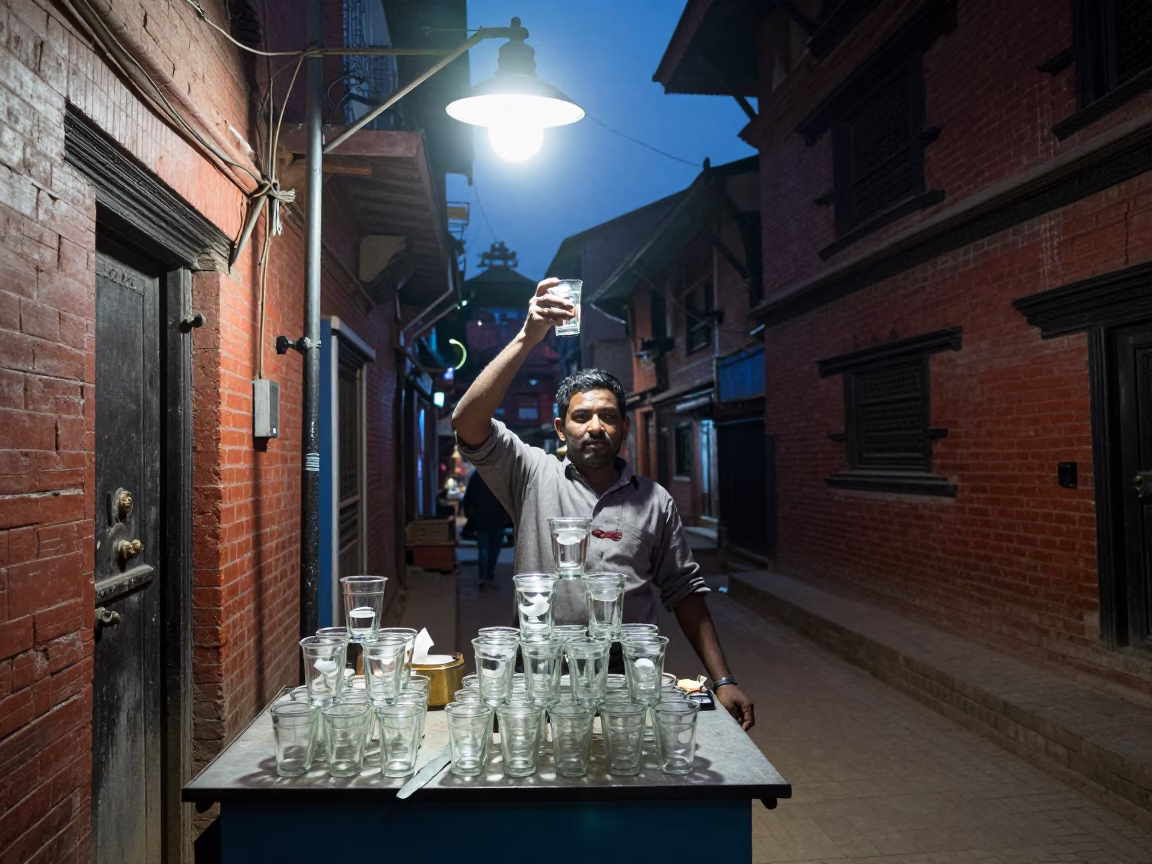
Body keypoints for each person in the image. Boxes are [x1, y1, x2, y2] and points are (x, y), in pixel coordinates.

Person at [452, 278, 755, 730]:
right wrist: (527, 336)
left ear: (624, 428)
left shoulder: (655, 501)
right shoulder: (533, 474)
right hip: (541, 666)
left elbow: (684, 591)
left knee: (628, 779)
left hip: (628, 675)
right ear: (560, 428)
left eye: (609, 416)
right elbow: (468, 421)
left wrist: (723, 677)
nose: (596, 427)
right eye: (581, 416)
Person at [462, 469, 506, 590]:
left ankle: (482, 578)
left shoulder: (477, 476)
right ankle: (490, 577)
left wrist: (469, 514)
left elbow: (468, 497)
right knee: (494, 550)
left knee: (483, 549)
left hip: (480, 518)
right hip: (498, 518)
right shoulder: (500, 476)